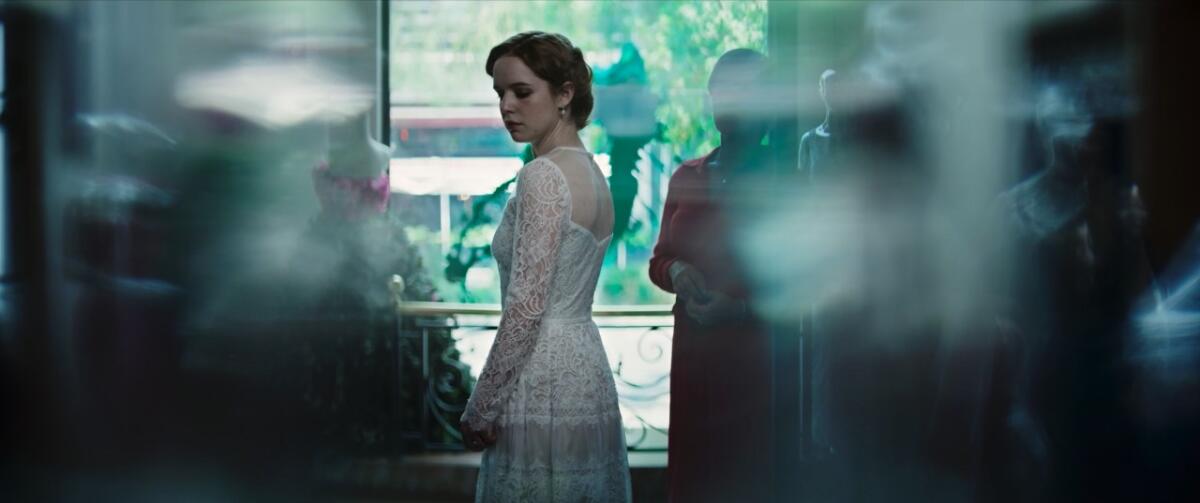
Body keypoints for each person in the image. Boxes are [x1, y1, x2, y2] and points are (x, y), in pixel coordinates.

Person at [459, 31, 631, 502]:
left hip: (541, 379)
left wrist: (481, 406)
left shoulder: (543, 175)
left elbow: (526, 309)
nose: (506, 107)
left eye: (521, 91)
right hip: (585, 373)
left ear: (565, 94)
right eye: (500, 94)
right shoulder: (593, 172)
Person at [648, 48, 773, 502]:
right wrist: (676, 270)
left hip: (755, 364)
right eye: (720, 92)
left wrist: (741, 309)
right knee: (694, 477)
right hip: (694, 357)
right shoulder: (687, 174)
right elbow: (658, 260)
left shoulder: (783, 181)